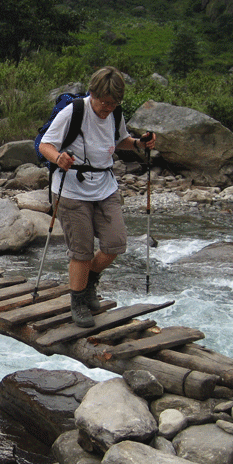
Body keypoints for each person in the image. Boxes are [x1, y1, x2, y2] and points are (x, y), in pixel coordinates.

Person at [38, 66, 156, 328]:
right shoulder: (74, 112)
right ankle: (78, 301)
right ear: (93, 93)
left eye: (113, 104)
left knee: (116, 243)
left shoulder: (115, 113)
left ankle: (89, 281)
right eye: (104, 103)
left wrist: (138, 143)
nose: (108, 108)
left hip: (104, 185)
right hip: (71, 188)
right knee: (81, 250)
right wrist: (59, 158)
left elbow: (120, 139)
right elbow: (45, 144)